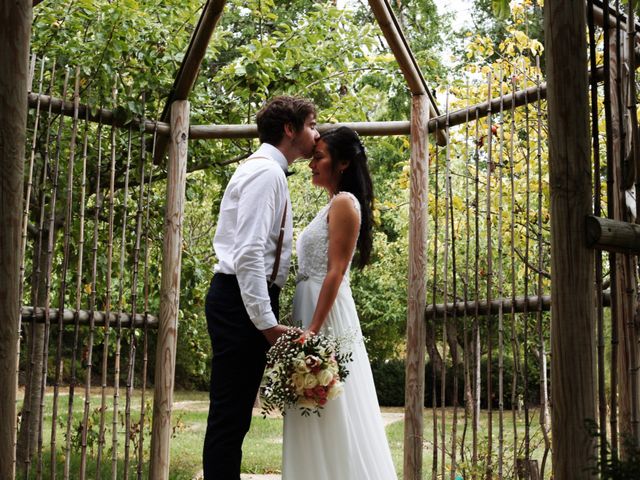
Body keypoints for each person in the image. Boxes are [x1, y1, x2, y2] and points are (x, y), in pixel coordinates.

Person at [203, 96, 319, 480]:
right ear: (290, 129)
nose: (316, 134)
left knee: (234, 416)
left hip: (242, 297)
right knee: (230, 417)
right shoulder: (266, 173)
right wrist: (267, 324)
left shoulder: (268, 170)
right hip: (239, 298)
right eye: (312, 124)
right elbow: (250, 253)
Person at [282, 126, 398, 479]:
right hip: (310, 310)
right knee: (314, 409)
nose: (311, 164)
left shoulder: (346, 203)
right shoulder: (331, 205)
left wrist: (314, 331)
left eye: (319, 158)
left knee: (334, 410)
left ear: (343, 162)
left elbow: (335, 271)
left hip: (325, 316)